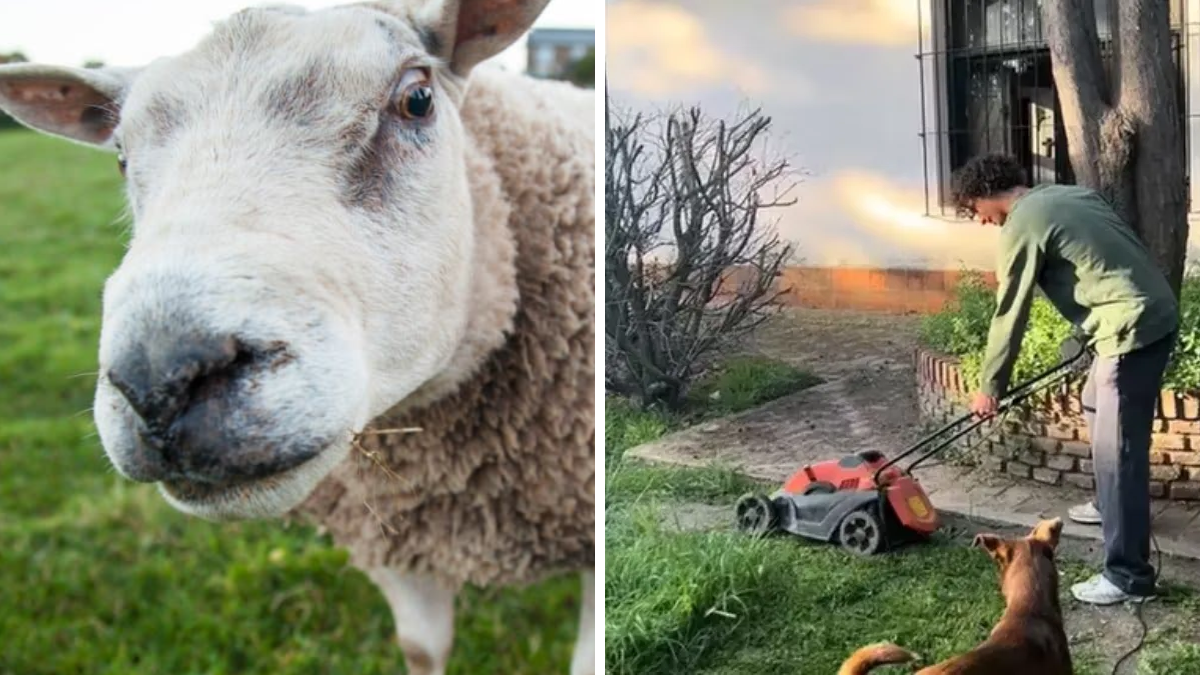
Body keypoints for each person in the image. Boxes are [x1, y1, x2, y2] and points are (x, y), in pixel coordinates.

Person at [952, 153, 1179, 605]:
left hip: (1128, 331)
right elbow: (1103, 262)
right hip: (1152, 314)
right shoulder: (1069, 195)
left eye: (975, 211)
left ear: (983, 197)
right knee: (1096, 402)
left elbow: (1008, 312)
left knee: (1119, 455)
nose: (980, 221)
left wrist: (989, 388)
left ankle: (1127, 578)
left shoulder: (1022, 223)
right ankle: (1108, 505)